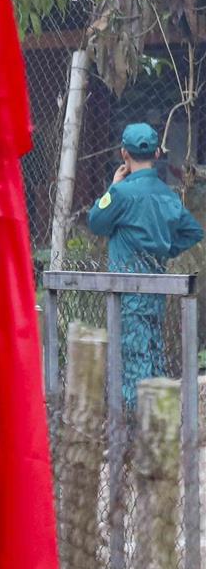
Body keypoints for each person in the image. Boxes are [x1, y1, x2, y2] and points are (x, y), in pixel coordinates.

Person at [88, 122, 204, 405]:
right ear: (157, 154)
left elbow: (96, 222)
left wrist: (114, 186)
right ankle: (159, 418)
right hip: (156, 290)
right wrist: (166, 249)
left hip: (127, 292)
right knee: (153, 352)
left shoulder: (121, 194)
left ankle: (134, 422)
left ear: (123, 154)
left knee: (132, 360)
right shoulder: (167, 195)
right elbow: (193, 231)